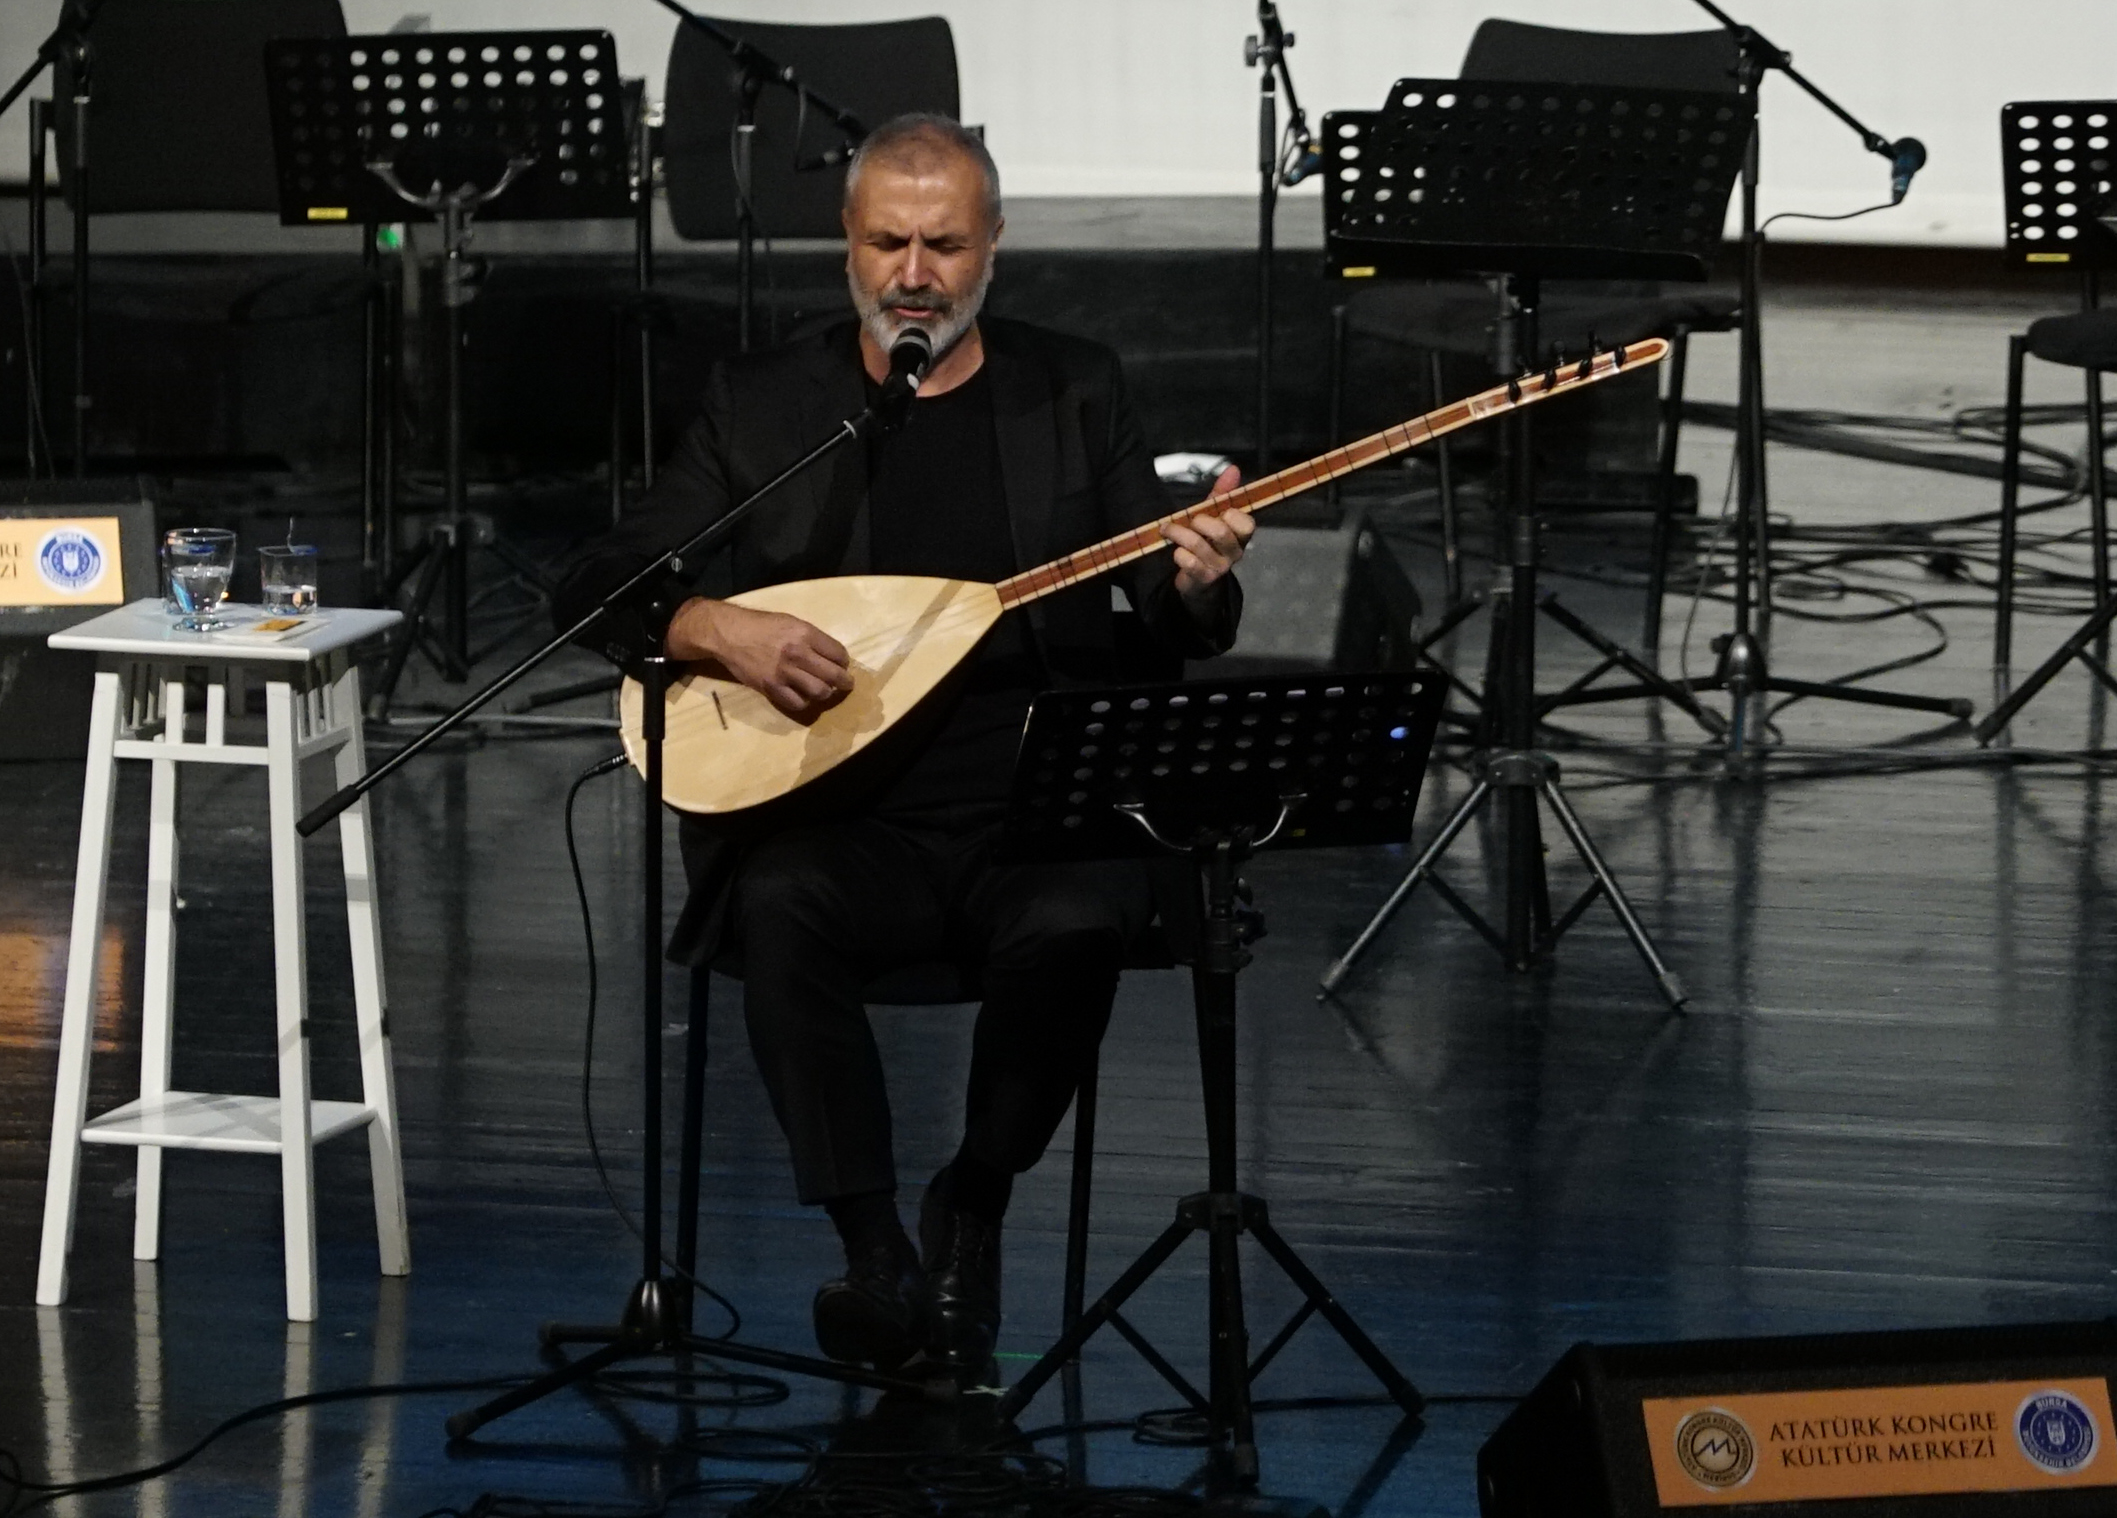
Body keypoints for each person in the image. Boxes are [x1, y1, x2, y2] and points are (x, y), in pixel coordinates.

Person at [553, 113, 1256, 1377]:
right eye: (888, 243)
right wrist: (714, 627)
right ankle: (872, 1251)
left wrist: (1198, 578)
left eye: (944, 244)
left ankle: (970, 1202)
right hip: (836, 817)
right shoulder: (768, 400)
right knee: (778, 902)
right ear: (846, 243)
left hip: (1029, 811)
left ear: (994, 245)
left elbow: (1165, 609)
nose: (914, 274)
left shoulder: (1073, 385)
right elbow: (602, 577)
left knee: (1079, 918)